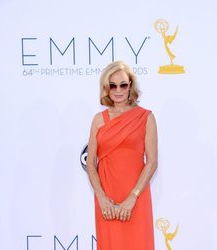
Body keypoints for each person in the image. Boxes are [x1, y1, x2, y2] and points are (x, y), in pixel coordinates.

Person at [86, 61, 158, 250]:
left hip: (137, 196)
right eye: (113, 85)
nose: (118, 90)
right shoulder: (98, 120)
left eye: (123, 85)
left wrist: (132, 197)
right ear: (106, 88)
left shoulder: (146, 117)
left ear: (130, 86)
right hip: (107, 199)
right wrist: (101, 197)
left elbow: (151, 162)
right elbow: (91, 163)